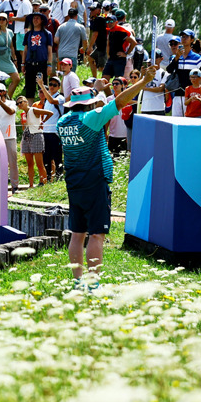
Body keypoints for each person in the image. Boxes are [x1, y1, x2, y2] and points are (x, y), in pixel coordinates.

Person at [57, 67, 156, 283]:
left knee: (77, 233)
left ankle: (77, 281)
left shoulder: (62, 122)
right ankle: (92, 284)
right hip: (94, 180)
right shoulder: (90, 119)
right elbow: (119, 102)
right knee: (96, 234)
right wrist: (143, 82)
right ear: (90, 104)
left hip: (74, 182)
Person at [17, 96, 52, 188]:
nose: (19, 104)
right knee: (29, 163)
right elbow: (24, 128)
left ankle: (43, 183)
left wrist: (42, 122)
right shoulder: (23, 114)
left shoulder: (34, 110)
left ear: (26, 102)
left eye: (21, 102)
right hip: (27, 136)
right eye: (18, 103)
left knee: (39, 163)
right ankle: (31, 185)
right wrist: (23, 124)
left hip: (36, 135)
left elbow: (49, 113)